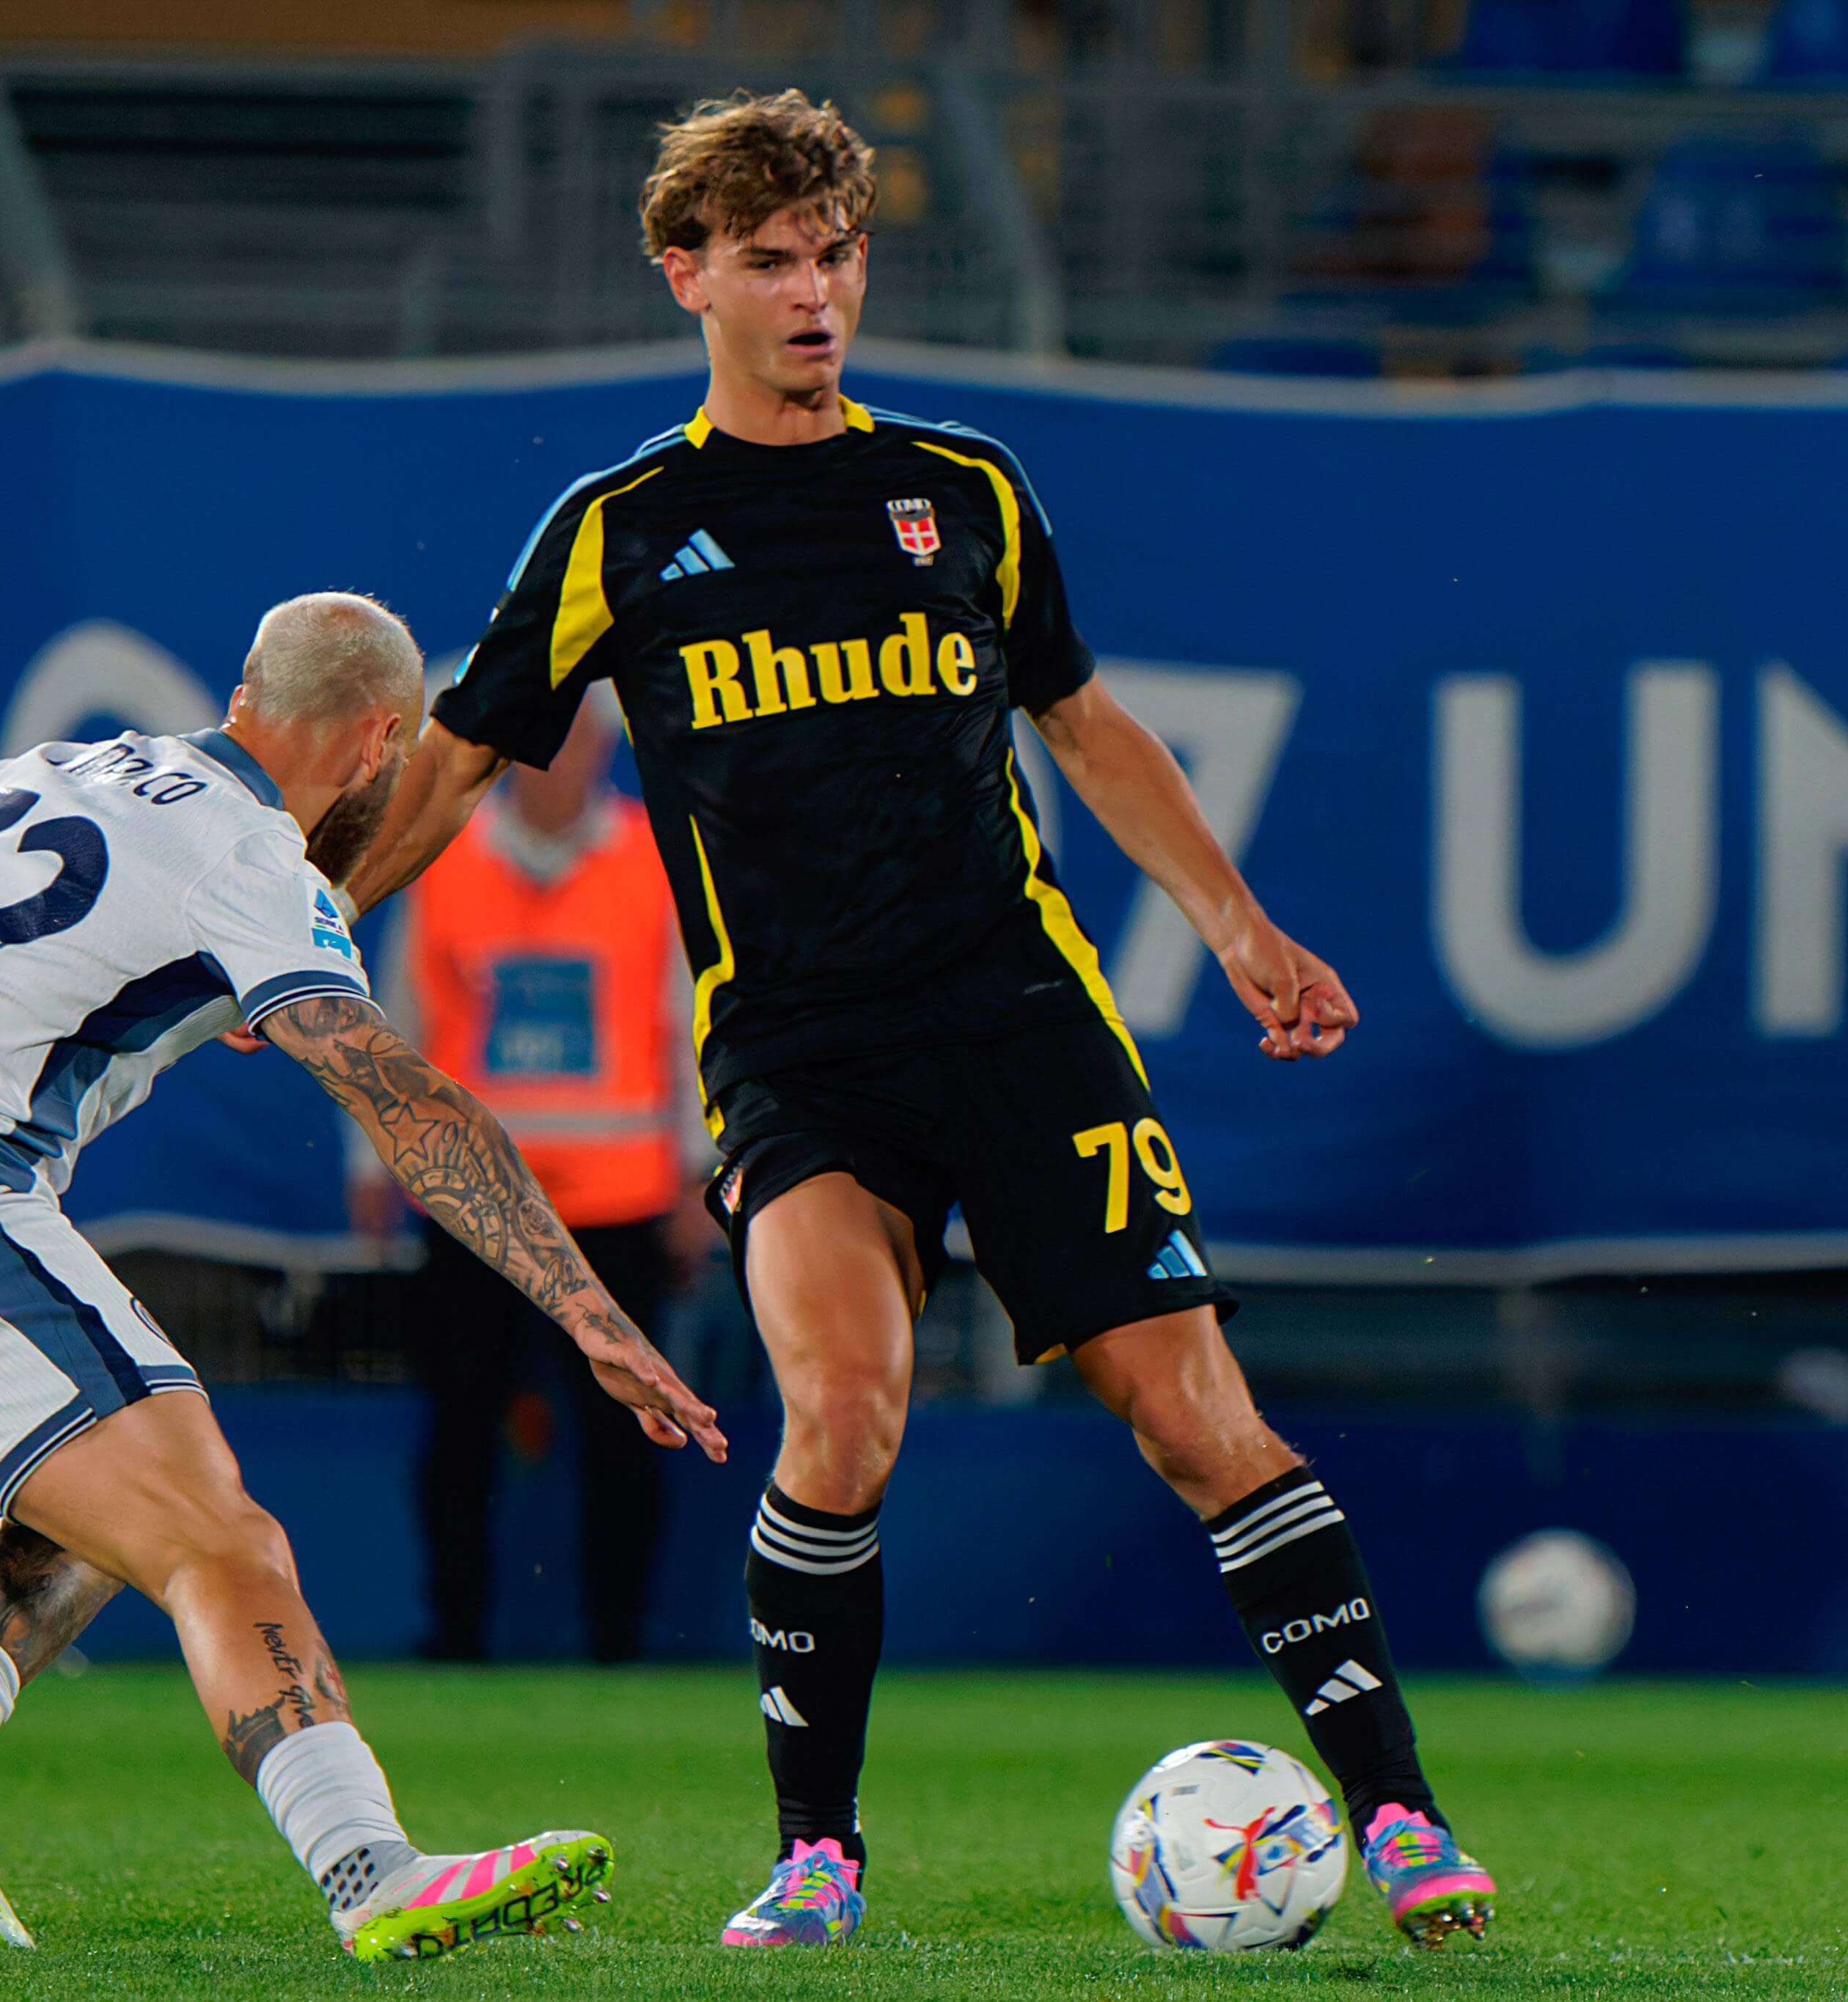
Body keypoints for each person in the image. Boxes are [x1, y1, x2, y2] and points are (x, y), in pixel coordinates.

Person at [340, 93, 1495, 1951]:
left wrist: (1240, 923)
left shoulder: (962, 490)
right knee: (846, 1414)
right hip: (802, 1056)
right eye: (774, 261)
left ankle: (1406, 1819)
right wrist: (304, 930)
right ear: (687, 275)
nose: (814, 296)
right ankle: (817, 1852)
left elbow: (1089, 725)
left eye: (837, 257)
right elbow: (465, 756)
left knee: (1203, 1425)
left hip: (1022, 1024)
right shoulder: (621, 529)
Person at [0, 592, 726, 1962]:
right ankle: (371, 1870)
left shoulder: (53, 770)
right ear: (379, 742)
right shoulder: (252, 860)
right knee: (222, 1541)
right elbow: (410, 1102)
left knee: (98, 1504)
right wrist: (588, 1312)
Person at [358, 689, 711, 1664]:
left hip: (623, 1199)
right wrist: (373, 1157)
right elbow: (393, 1023)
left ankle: (618, 1636)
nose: (558, 766)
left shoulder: (653, 859)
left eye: (578, 746)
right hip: (473, 1201)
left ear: (605, 752)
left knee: (628, 1433)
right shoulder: (445, 860)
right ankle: (456, 1629)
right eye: (542, 748)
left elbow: (690, 1028)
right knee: (458, 1426)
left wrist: (696, 1178)